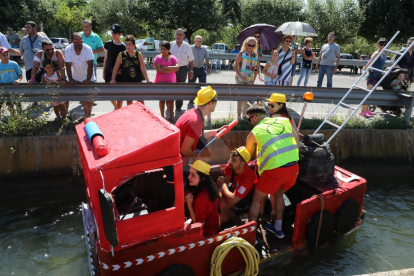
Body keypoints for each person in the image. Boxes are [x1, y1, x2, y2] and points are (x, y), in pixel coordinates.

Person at [245, 103, 299, 238]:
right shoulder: (283, 120)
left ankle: (251, 235)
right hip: (293, 168)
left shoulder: (255, 132)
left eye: (249, 119)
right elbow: (297, 141)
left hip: (275, 171)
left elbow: (246, 156)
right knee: (279, 195)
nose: (250, 122)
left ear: (255, 117)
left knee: (256, 200)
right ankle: (278, 229)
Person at [164, 86, 232, 184]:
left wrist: (217, 131)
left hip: (173, 160)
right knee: (179, 196)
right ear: (210, 103)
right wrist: (195, 156)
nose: (216, 103)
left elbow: (197, 134)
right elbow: (184, 150)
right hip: (176, 164)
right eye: (216, 100)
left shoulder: (193, 113)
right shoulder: (196, 121)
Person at [218, 147, 257, 226]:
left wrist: (222, 184)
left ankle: (238, 222)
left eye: (234, 160)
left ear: (243, 163)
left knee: (223, 204)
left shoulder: (249, 178)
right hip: (234, 196)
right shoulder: (230, 168)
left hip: (246, 201)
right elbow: (227, 182)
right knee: (221, 218)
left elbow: (232, 200)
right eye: (230, 158)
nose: (229, 162)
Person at [110, 35, 152, 106]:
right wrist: (113, 79)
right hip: (125, 82)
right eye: (126, 44)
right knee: (129, 101)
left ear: (134, 45)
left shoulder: (138, 54)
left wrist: (147, 80)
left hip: (137, 81)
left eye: (130, 44)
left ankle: (143, 115)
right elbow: (115, 68)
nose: (128, 46)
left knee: (140, 101)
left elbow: (143, 68)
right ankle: (129, 116)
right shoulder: (121, 55)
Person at [185, 160, 220, 236]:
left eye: (193, 175)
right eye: (189, 173)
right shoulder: (210, 189)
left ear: (202, 179)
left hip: (206, 233)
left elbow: (199, 225)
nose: (188, 177)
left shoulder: (201, 199)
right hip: (214, 227)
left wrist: (189, 205)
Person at [65, 32, 94, 121]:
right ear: (71, 41)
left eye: (81, 40)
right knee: (83, 97)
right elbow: (68, 66)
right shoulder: (68, 49)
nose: (79, 42)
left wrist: (88, 79)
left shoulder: (88, 49)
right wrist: (70, 79)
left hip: (88, 74)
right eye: (76, 41)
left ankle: (89, 114)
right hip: (76, 75)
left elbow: (90, 65)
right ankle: (86, 114)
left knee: (90, 96)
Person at [234, 37, 262, 120]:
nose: (250, 47)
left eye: (253, 45)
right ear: (246, 44)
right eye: (249, 45)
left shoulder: (255, 55)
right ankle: (238, 115)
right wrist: (239, 75)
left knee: (246, 97)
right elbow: (235, 66)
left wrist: (260, 75)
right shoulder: (241, 53)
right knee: (240, 97)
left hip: (249, 79)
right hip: (240, 78)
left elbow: (258, 67)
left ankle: (244, 113)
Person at [169, 28, 194, 118]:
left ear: (184, 36)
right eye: (177, 34)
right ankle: (169, 107)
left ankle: (178, 108)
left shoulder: (187, 46)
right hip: (171, 69)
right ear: (175, 35)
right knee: (170, 88)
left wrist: (191, 71)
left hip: (183, 69)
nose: (179, 36)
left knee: (180, 89)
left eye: (181, 35)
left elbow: (191, 60)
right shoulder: (170, 45)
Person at [360, 38, 388, 118]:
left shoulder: (382, 54)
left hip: (377, 76)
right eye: (381, 44)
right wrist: (371, 72)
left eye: (384, 45)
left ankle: (367, 109)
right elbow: (368, 65)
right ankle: (362, 111)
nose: (382, 46)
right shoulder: (376, 53)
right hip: (373, 76)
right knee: (367, 93)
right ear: (378, 45)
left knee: (371, 94)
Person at [153, 40, 179, 121]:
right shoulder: (158, 58)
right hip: (161, 82)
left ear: (169, 49)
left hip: (171, 82)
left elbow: (177, 68)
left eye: (164, 49)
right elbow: (159, 70)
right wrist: (171, 69)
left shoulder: (173, 58)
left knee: (171, 100)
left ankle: (171, 117)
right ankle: (162, 117)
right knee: (162, 100)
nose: (163, 50)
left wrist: (166, 67)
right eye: (161, 49)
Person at [103, 24, 126, 110]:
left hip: (120, 74)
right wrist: (104, 71)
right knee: (108, 93)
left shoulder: (124, 47)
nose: (113, 35)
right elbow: (106, 58)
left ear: (120, 34)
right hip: (109, 72)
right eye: (112, 33)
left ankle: (119, 108)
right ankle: (116, 107)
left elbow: (124, 61)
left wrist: (121, 70)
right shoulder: (107, 44)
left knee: (120, 93)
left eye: (115, 33)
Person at [0, 46, 23, 116]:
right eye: (3, 55)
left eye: (7, 54)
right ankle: (13, 118)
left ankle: (19, 118)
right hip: (4, 89)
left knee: (18, 104)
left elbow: (20, 74)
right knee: (9, 105)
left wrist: (18, 80)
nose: (6, 56)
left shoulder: (14, 64)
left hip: (14, 88)